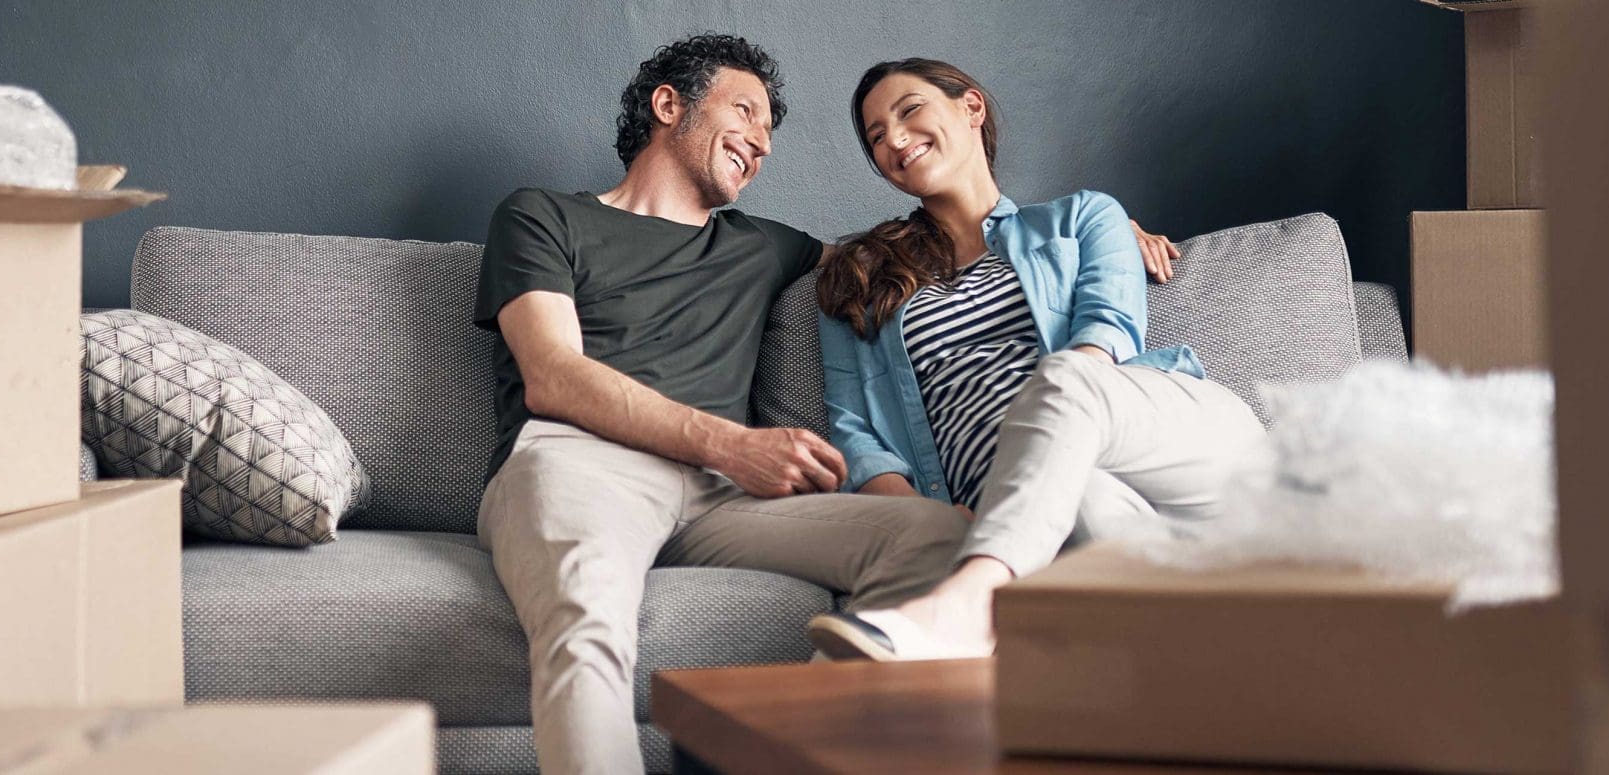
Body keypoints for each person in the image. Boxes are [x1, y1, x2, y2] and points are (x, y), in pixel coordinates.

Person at [475, 37, 1177, 773]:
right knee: (586, 618)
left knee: (941, 540)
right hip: (582, 462)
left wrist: (1099, 232)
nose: (762, 142)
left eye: (770, 130)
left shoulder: (767, 247)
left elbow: (920, 251)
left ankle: (757, 750)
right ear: (667, 105)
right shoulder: (542, 216)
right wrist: (727, 444)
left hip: (720, 501)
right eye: (744, 111)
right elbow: (553, 374)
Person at [805, 58, 1268, 663]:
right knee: (1090, 507)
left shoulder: (1082, 218)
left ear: (971, 108)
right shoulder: (861, 276)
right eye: (875, 137)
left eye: (909, 111)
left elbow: (1107, 334)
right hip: (1037, 505)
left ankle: (969, 604)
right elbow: (856, 436)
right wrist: (934, 521)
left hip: (1172, 440)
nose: (893, 139)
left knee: (1071, 377)